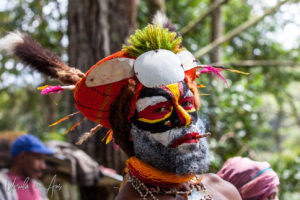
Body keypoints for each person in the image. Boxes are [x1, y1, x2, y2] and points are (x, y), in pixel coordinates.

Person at [0, 22, 243, 199]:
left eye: (187, 103)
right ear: (129, 131)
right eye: (159, 109)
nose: (186, 118)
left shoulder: (224, 190)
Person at [0, 134, 55, 200]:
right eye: (38, 158)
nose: (43, 166)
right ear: (22, 157)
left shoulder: (38, 186)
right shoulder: (2, 186)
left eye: (43, 160)